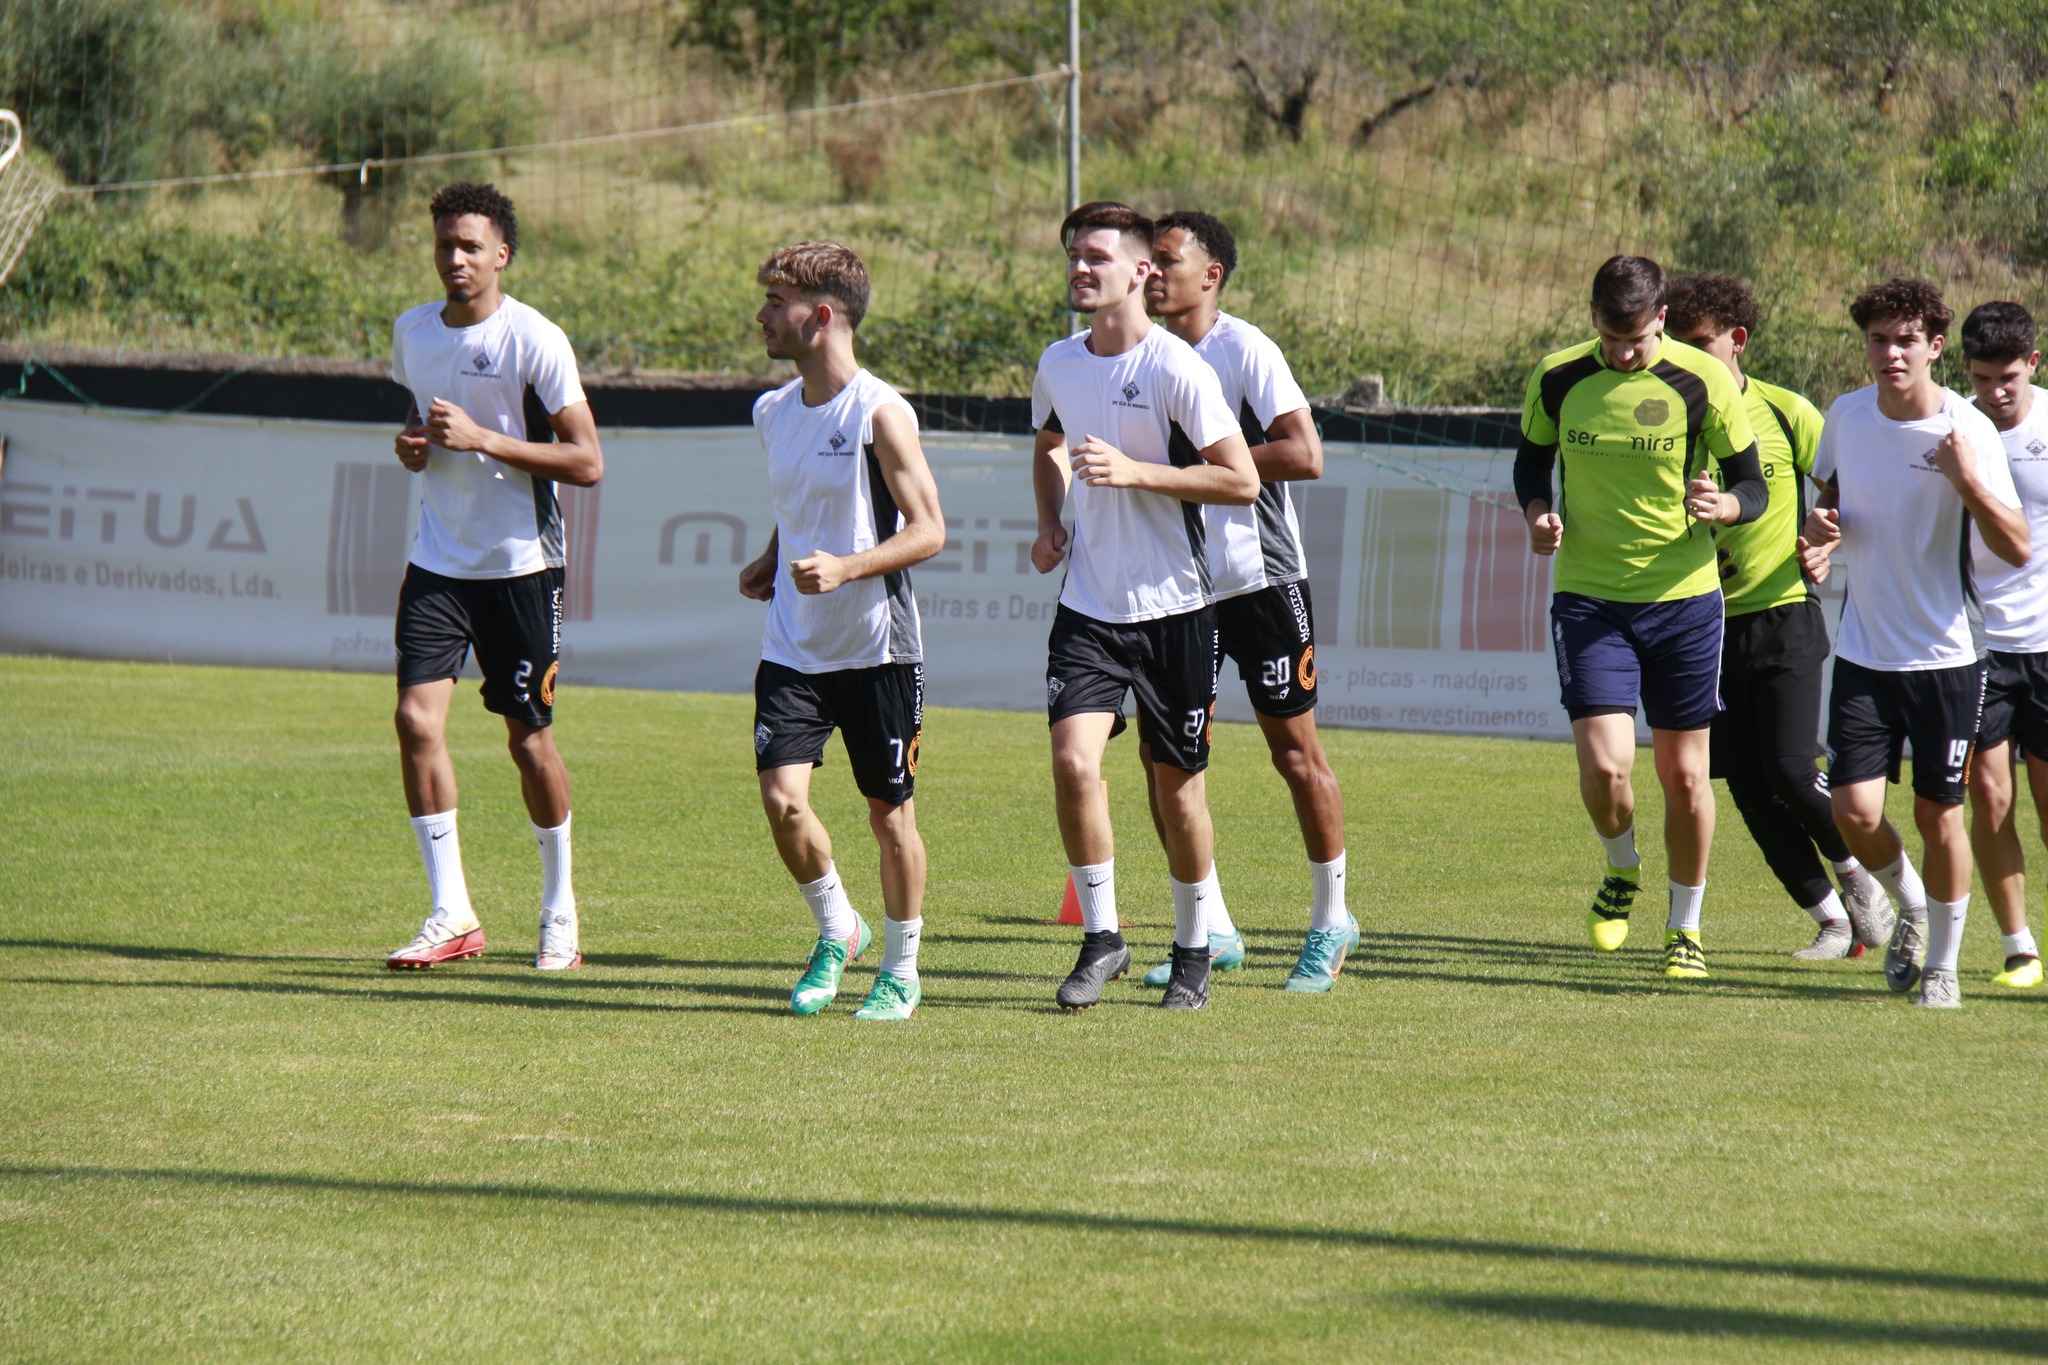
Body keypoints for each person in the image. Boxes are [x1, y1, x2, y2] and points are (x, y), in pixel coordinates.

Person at [1028, 201, 1259, 1011]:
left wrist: (1137, 473)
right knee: (1073, 763)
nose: (1079, 268)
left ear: (1140, 271)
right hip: (1089, 608)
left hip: (1176, 612)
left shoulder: (1176, 368)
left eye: (1096, 256)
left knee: (1178, 790)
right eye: (1073, 255)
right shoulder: (1059, 362)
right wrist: (1050, 520)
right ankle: (1104, 939)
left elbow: (1241, 478)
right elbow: (1048, 443)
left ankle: (1194, 947)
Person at [1515, 255, 1767, 979]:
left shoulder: (1704, 379)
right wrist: (1539, 514)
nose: (1624, 354)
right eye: (1611, 337)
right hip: (1589, 597)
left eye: (1637, 340)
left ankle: (1685, 926)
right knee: (1605, 766)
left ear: (1662, 318)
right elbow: (1530, 465)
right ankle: (1621, 867)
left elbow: (1751, 485)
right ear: (1593, 317)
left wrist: (1726, 506)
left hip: (1684, 600)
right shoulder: (1559, 377)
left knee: (1685, 777)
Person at [384, 182, 603, 972]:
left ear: (501, 254)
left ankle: (559, 909)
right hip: (438, 561)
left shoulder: (535, 339)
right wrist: (413, 446)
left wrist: (483, 438)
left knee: (529, 740)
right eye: (445, 244)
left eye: (471, 246)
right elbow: (422, 428)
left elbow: (587, 459)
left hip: (521, 566)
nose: (456, 258)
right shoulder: (412, 332)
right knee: (415, 722)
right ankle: (452, 912)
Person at [1141, 209, 1358, 993]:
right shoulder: (1142, 357)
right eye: (1147, 261)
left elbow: (1305, 452)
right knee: (1165, 760)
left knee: (1295, 755)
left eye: (1167, 260)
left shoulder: (1245, 349)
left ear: (1212, 275)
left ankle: (1332, 919)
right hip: (1177, 592)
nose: (1152, 274)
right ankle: (1214, 928)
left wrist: (1210, 464)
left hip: (1261, 581)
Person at [1799, 279, 2030, 1009]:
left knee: (1940, 816)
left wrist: (1965, 480)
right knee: (1852, 811)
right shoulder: (1845, 415)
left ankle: (1944, 968)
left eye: (1906, 340)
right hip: (1864, 651)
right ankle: (1911, 905)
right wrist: (1817, 536)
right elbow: (1828, 503)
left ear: (1934, 347)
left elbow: (2017, 546)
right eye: (1878, 339)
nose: (1891, 353)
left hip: (1948, 657)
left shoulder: (1968, 430)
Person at [738, 241, 944, 1021]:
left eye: (776, 300)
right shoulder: (771, 411)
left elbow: (928, 530)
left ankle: (901, 969)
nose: (762, 314)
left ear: (821, 316)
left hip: (876, 647)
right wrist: (773, 556)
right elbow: (800, 502)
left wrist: (847, 567)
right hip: (793, 644)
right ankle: (837, 928)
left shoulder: (880, 413)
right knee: (783, 801)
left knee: (890, 817)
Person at [1662, 274, 1895, 960]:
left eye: (1699, 343)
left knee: (1792, 770)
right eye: (1676, 344)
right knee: (1746, 785)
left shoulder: (1786, 411)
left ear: (1736, 340)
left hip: (1782, 612)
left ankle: (1877, 883)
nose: (1686, 357)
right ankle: (1832, 919)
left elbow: (1853, 494)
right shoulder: (1660, 416)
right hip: (1699, 624)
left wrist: (1826, 542)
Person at [1957, 301, 2048, 990]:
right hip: (1976, 645)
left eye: (2007, 378)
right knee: (1989, 799)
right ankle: (2018, 948)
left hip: (2046, 644)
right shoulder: (1952, 429)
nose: (1994, 393)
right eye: (1982, 378)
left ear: (2033, 364)